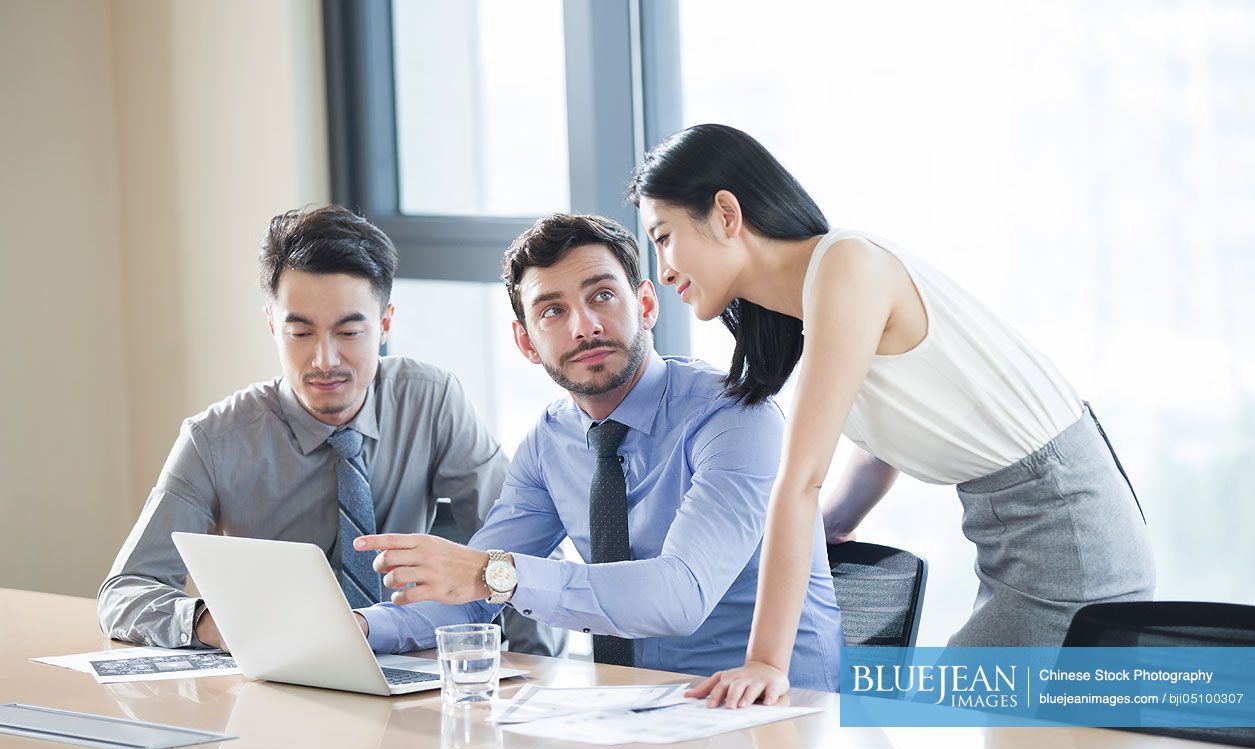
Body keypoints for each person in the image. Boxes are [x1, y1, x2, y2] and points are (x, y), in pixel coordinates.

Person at [628, 123, 1155, 706]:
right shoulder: (816, 299)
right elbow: (886, 433)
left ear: (727, 213)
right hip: (1030, 531)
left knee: (961, 727)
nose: (664, 270)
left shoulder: (848, 267)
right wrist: (833, 525)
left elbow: (799, 480)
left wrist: (765, 662)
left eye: (664, 237)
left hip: (1065, 535)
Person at [350, 213, 843, 692]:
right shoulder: (550, 441)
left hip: (774, 708)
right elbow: (471, 596)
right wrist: (360, 629)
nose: (583, 327)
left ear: (646, 305)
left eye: (602, 296)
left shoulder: (736, 416)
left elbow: (680, 596)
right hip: (635, 709)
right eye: (552, 311)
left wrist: (493, 573)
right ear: (526, 341)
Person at [97, 205, 563, 657]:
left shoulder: (431, 400)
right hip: (277, 679)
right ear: (271, 325)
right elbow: (124, 592)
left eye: (348, 332)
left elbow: (519, 555)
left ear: (384, 324)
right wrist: (208, 621)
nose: (324, 361)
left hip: (407, 664)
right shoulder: (214, 440)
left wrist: (537, 677)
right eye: (300, 333)